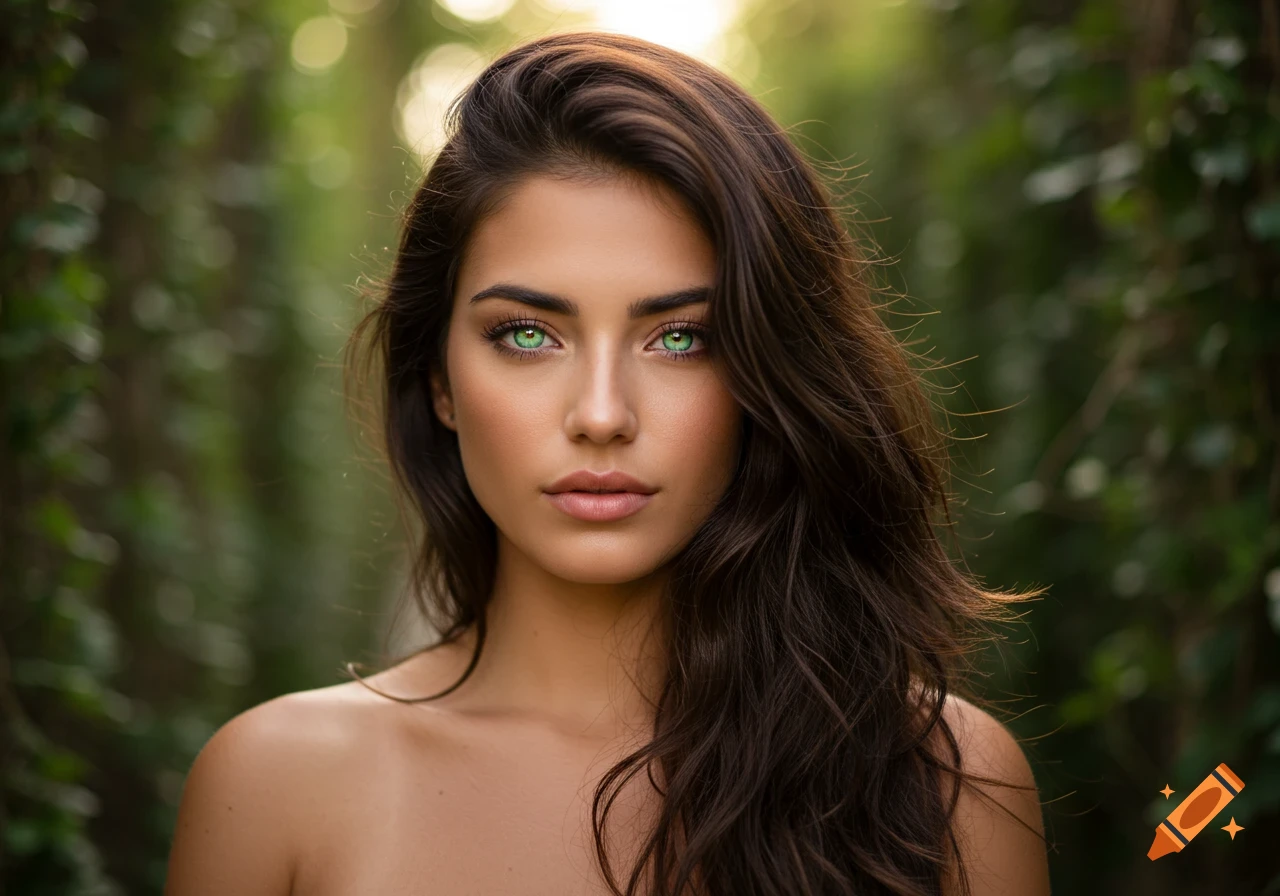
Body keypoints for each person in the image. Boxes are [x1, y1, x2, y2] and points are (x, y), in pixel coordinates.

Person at [163, 30, 1052, 896]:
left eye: (678, 338)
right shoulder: (274, 789)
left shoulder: (950, 787)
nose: (600, 416)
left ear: (766, 373)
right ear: (438, 378)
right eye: (525, 334)